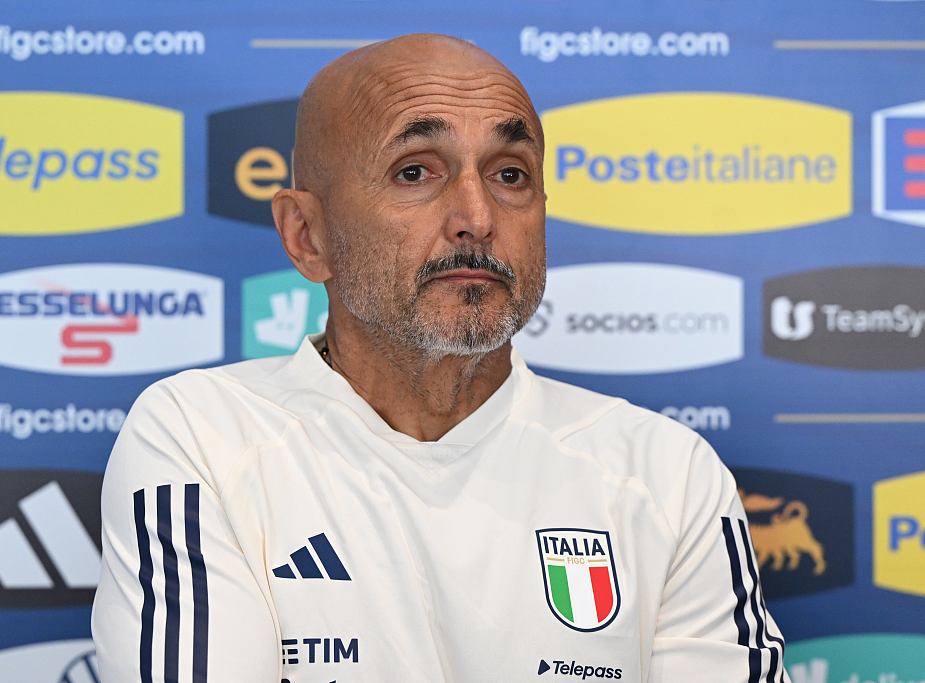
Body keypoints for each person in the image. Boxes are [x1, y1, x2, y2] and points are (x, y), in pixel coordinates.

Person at [92, 34, 788, 683]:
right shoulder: (202, 438)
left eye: (509, 174)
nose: (477, 216)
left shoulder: (665, 473)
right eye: (415, 171)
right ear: (307, 236)